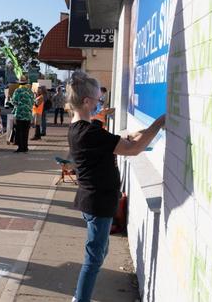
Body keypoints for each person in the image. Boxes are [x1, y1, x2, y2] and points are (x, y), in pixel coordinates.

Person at [66, 71, 164, 302]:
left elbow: (118, 141)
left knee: (99, 252)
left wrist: (134, 134)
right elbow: (132, 149)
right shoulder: (89, 133)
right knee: (93, 259)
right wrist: (159, 123)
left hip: (94, 200)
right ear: (87, 102)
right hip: (98, 203)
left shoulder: (79, 129)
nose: (101, 103)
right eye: (99, 100)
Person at [11, 76, 34, 153]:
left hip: (20, 114)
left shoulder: (17, 91)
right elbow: (33, 102)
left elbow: (14, 102)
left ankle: (20, 147)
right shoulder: (30, 91)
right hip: (28, 114)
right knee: (26, 131)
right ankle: (25, 147)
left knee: (19, 131)